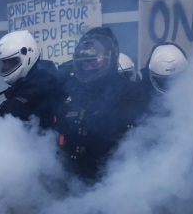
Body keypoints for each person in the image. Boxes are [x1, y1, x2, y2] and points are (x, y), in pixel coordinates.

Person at [54, 27, 144, 180]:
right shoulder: (72, 90)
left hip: (112, 180)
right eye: (84, 64)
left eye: (93, 63)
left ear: (110, 60)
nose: (88, 69)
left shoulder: (129, 93)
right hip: (73, 179)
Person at [0, 29, 60, 129]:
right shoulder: (24, 85)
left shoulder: (42, 87)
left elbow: (16, 111)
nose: (5, 67)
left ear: (27, 57)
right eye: (4, 62)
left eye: (10, 62)